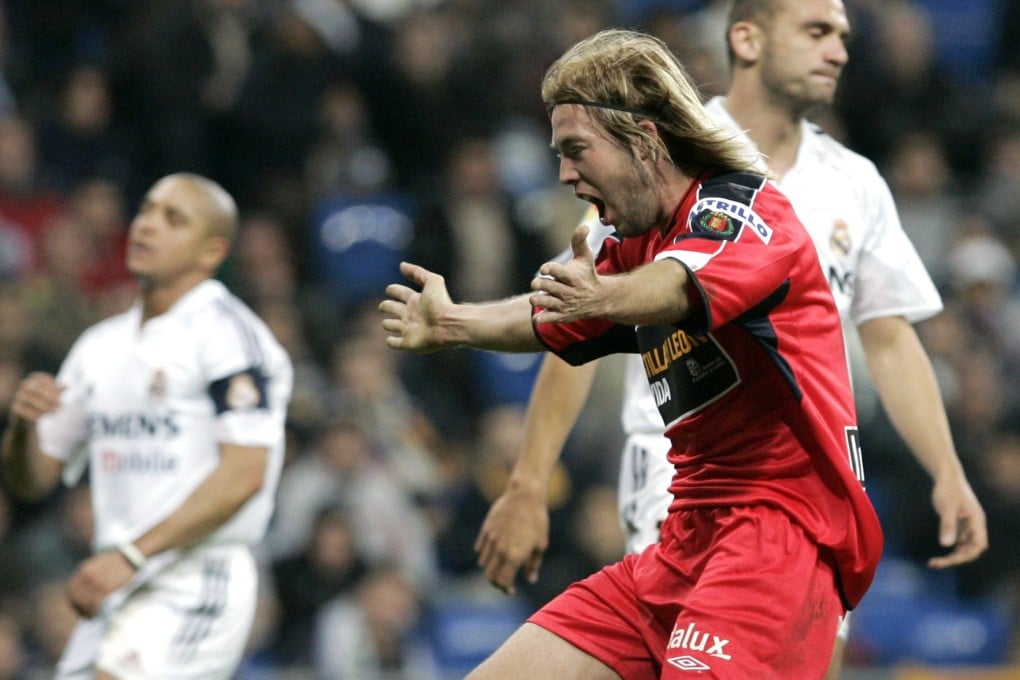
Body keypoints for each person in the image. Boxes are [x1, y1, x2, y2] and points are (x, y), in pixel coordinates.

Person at [472, 1, 990, 678]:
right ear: (747, 37)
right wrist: (530, 481)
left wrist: (947, 470)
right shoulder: (648, 147)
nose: (837, 50)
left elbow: (888, 340)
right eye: (815, 31)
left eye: (840, 36)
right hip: (675, 474)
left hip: (801, 483)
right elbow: (583, 317)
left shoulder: (854, 182)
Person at [381, 28, 883, 679]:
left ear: (643, 140)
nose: (564, 174)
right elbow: (546, 316)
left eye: (576, 150)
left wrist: (601, 297)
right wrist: (453, 322)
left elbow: (676, 285)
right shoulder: (637, 243)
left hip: (776, 541)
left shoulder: (749, 217)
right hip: (680, 545)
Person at [0, 172, 293, 679]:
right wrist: (23, 427)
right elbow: (33, 480)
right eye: (146, 210)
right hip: (114, 581)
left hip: (196, 576)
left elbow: (245, 473)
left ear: (211, 252)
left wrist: (132, 555)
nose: (148, 226)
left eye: (173, 219)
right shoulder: (100, 346)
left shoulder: (228, 335)